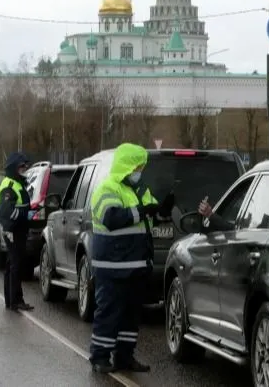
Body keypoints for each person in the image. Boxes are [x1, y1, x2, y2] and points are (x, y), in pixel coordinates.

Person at [89, 143, 175, 374]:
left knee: (130, 316)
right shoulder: (107, 188)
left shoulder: (140, 191)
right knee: (108, 312)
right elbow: (112, 217)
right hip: (112, 265)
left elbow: (146, 221)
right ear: (126, 166)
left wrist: (161, 212)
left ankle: (124, 357)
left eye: (142, 167)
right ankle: (99, 357)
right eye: (138, 167)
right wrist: (145, 211)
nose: (140, 171)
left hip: (136, 265)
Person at [0, 152, 35, 312]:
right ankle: (15, 301)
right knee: (15, 265)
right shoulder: (9, 186)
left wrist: (28, 211)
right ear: (13, 168)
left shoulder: (17, 183)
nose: (24, 169)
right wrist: (25, 214)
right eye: (21, 166)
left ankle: (12, 300)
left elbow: (20, 205)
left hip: (18, 229)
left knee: (12, 264)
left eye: (25, 166)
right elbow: (8, 212)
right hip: (12, 230)